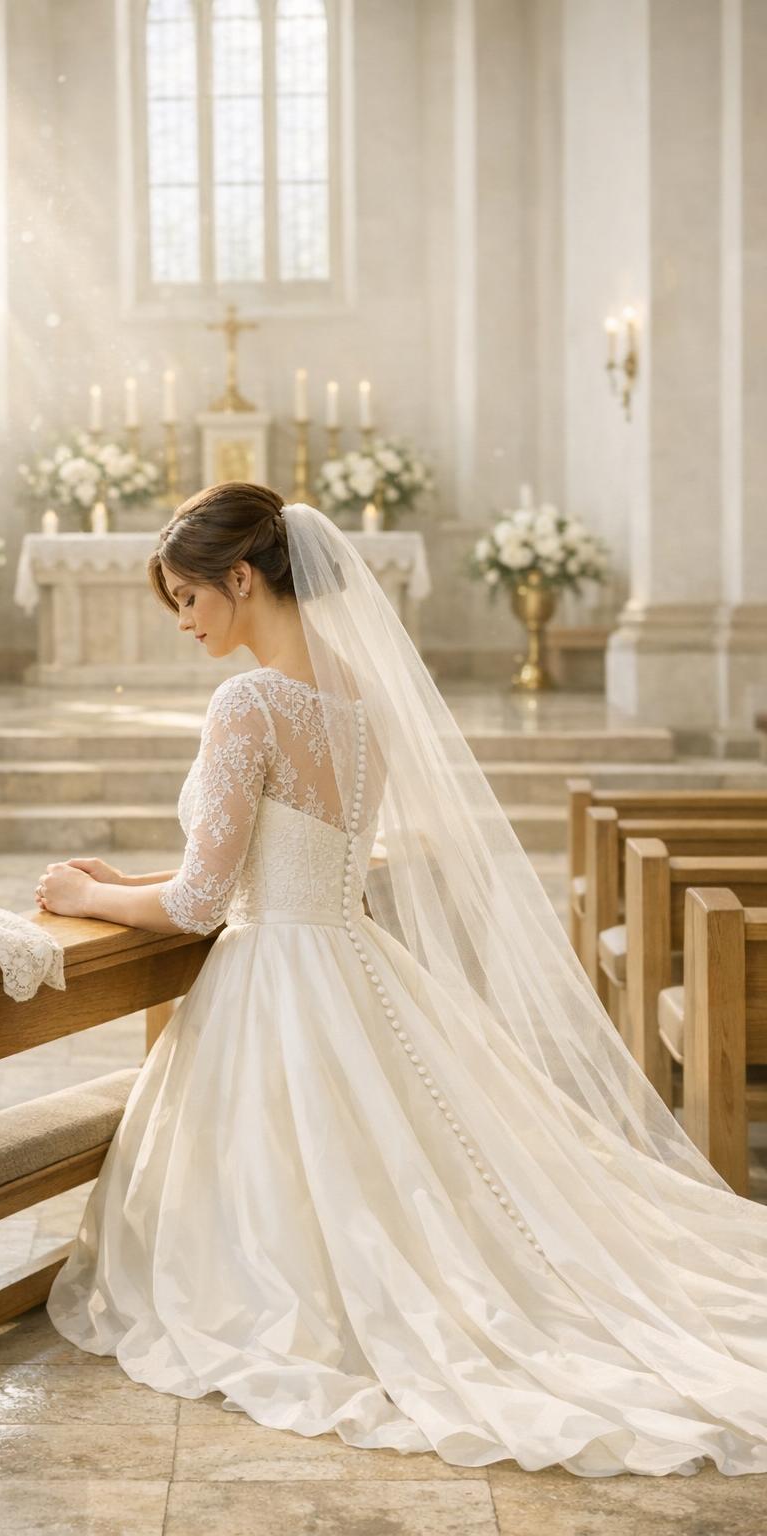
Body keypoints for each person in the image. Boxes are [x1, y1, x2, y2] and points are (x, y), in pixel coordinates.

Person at [39, 481, 767, 1478]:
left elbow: (206, 904)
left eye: (188, 598)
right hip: (354, 959)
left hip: (279, 978)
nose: (183, 621)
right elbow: (277, 856)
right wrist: (147, 881)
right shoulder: (359, 695)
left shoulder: (248, 701)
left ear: (241, 577)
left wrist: (85, 890)